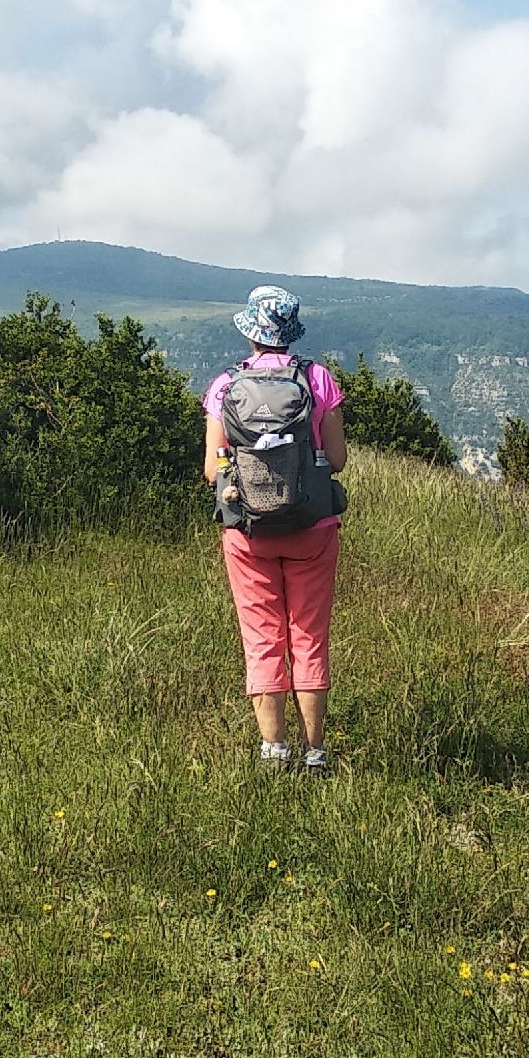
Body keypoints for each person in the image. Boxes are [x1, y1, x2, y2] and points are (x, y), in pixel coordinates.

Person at [203, 285, 349, 772]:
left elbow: (212, 469)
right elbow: (338, 460)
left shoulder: (225, 386)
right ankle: (315, 753)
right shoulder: (317, 379)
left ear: (250, 332)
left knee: (262, 637)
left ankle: (273, 751)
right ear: (291, 332)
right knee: (308, 636)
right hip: (312, 527)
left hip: (247, 531)